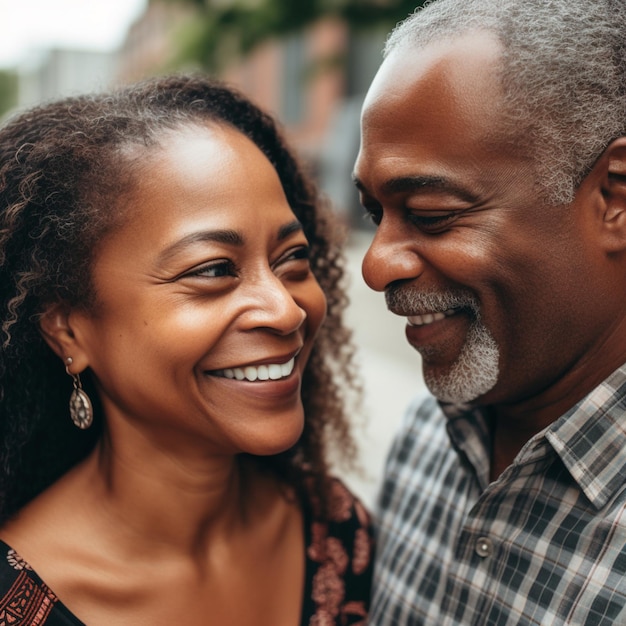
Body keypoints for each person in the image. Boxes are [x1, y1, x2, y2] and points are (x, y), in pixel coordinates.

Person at [0, 74, 373, 625]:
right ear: (68, 331)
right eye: (214, 270)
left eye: (292, 258)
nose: (287, 310)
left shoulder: (337, 530)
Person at [352, 0, 626, 624]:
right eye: (374, 215)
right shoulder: (430, 431)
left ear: (614, 197)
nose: (375, 267)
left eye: (430, 214)